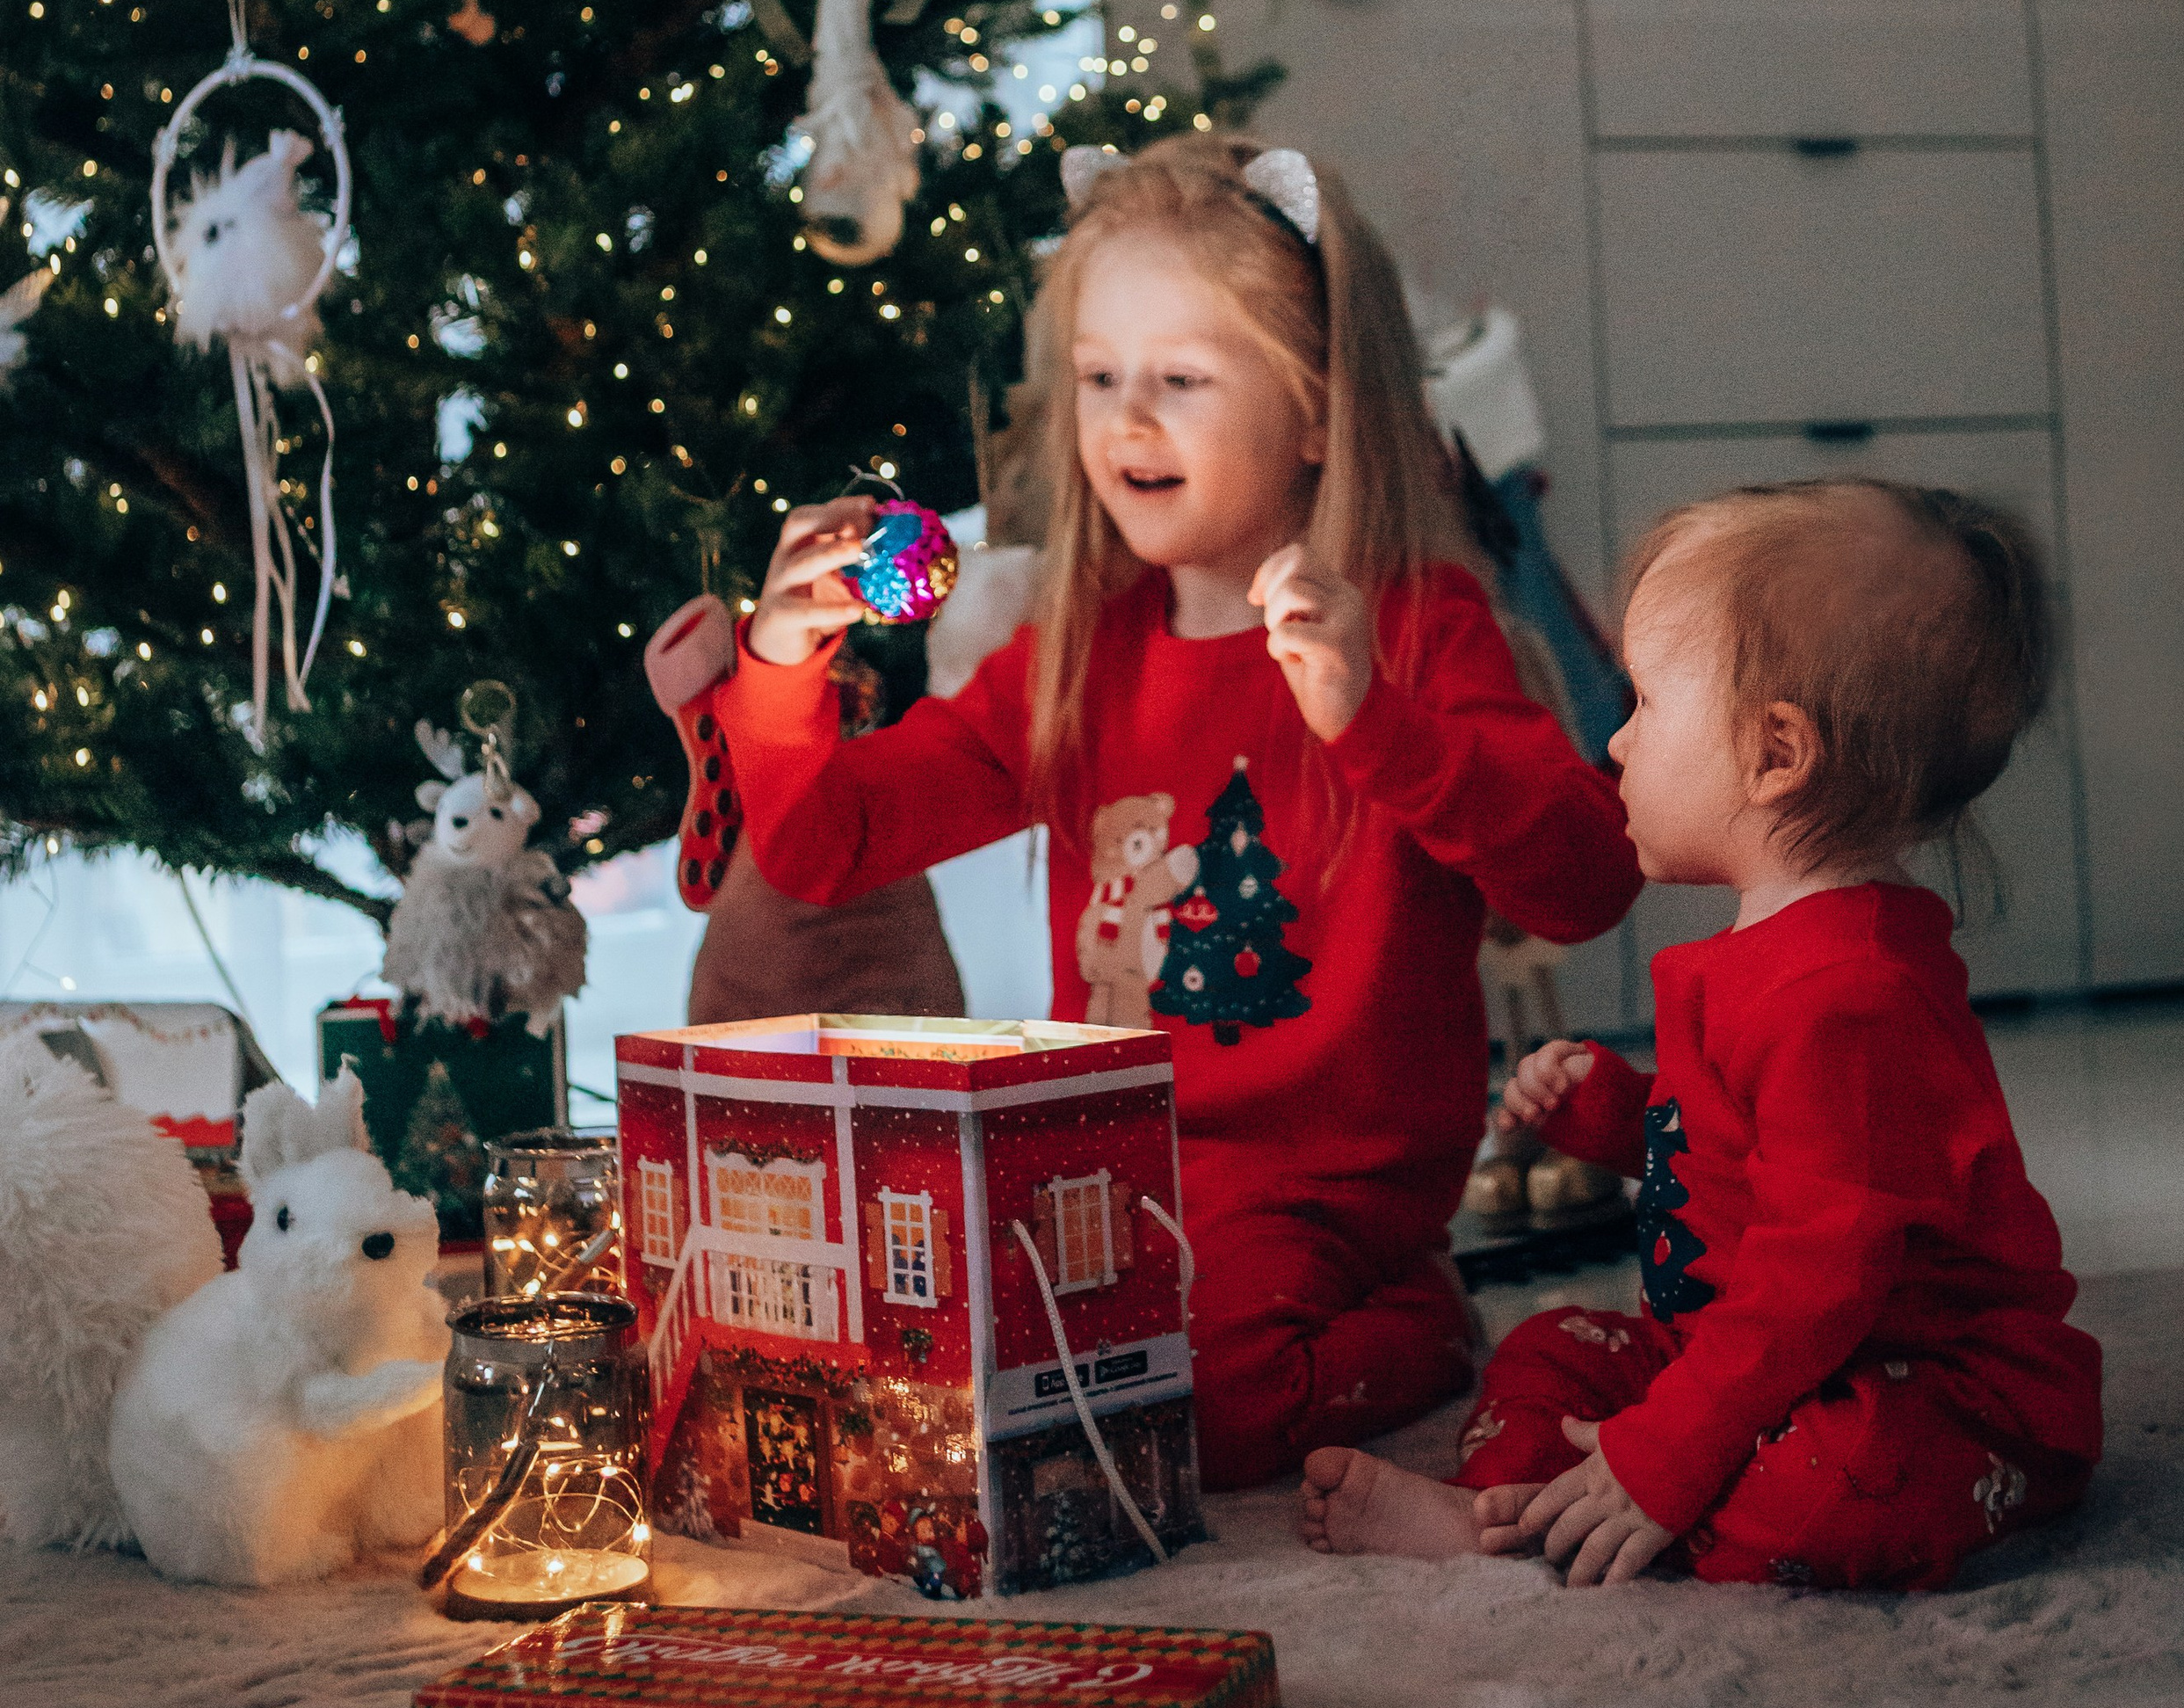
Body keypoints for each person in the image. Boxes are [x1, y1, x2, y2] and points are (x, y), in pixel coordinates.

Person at [693, 131, 1639, 1490]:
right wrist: (784, 668)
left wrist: (1376, 722)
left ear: (1315, 413)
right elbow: (826, 845)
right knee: (904, 1330)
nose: (1127, 420)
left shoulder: (1411, 629)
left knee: (1190, 1402)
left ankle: (1422, 1325)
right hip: (1093, 1161)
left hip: (1325, 1189)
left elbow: (1585, 883)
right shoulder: (1076, 656)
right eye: (1099, 377)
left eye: (1180, 380)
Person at [1300, 478, 2104, 1591]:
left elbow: (1817, 1281)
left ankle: (1591, 1515)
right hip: (1741, 1349)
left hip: (1925, 1373)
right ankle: (1518, 1507)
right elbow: (1745, 1163)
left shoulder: (1849, 996)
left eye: (1641, 702)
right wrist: (1620, 1121)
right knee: (1551, 1351)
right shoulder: (1766, 952)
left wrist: (1672, 1452)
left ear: (1776, 754)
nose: (1615, 740)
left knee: (1843, 1476)